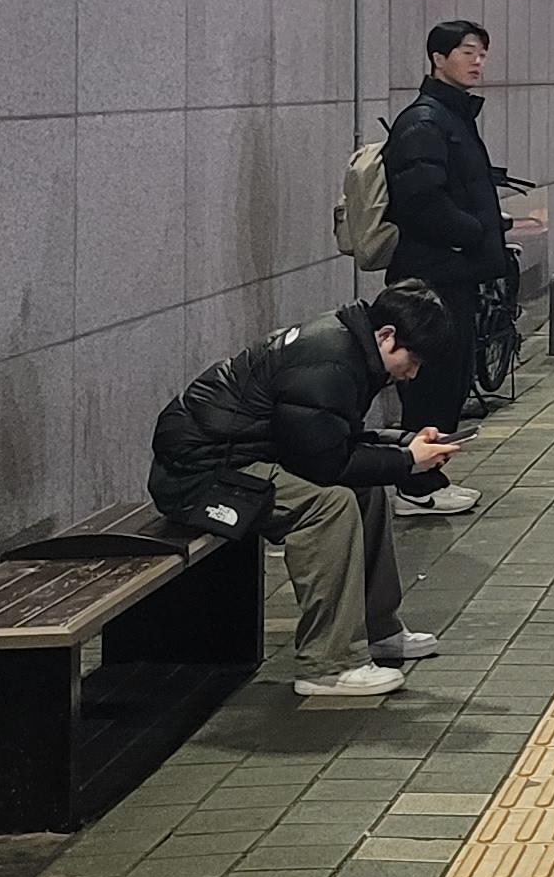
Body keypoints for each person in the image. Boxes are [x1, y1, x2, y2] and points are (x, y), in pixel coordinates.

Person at [148, 282, 462, 703]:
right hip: (197, 477)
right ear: (387, 336)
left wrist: (405, 443)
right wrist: (407, 461)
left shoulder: (348, 348)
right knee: (328, 506)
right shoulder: (330, 360)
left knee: (365, 490)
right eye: (414, 359)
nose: (413, 373)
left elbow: (328, 438)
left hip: (237, 457)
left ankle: (376, 629)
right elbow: (328, 464)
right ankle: (328, 665)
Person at [383, 19, 511, 513]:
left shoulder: (451, 116)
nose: (477, 62)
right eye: (466, 52)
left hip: (452, 271)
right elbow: (421, 201)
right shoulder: (425, 121)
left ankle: (429, 478)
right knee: (432, 383)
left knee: (449, 381)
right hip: (432, 275)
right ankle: (415, 487)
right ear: (438, 59)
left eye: (482, 53)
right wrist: (475, 232)